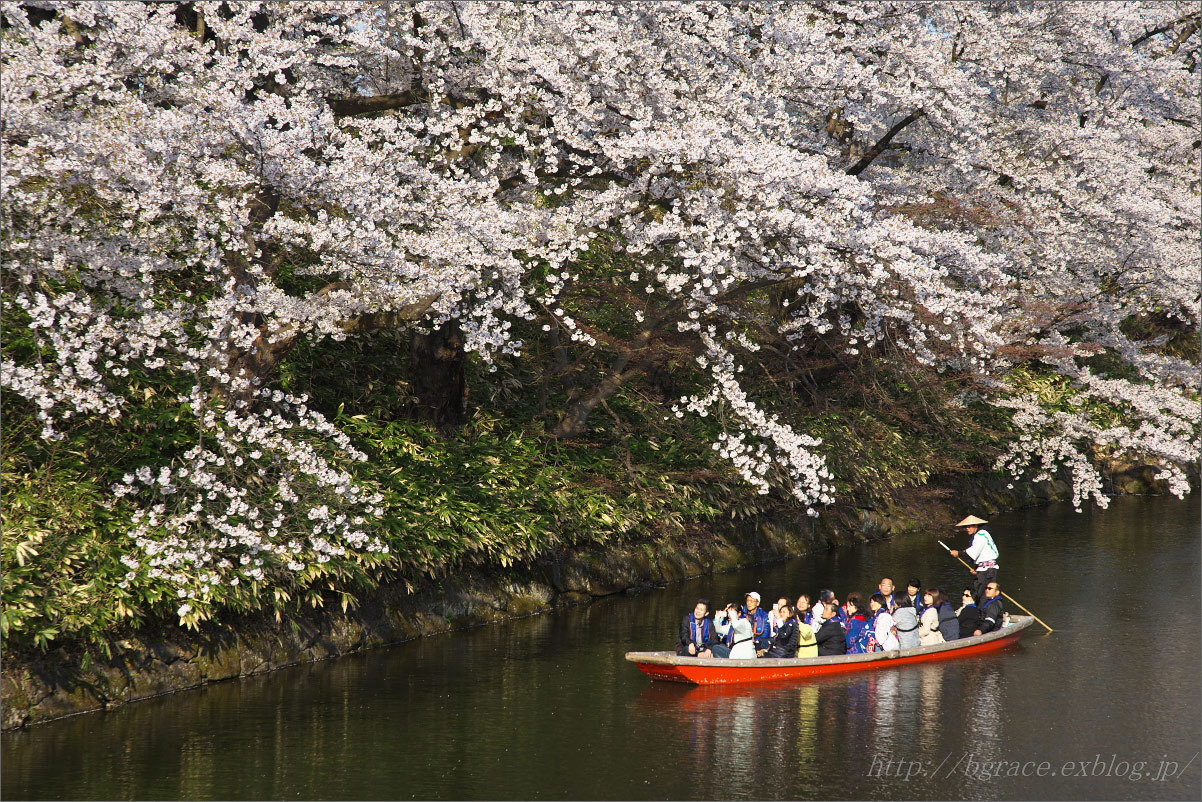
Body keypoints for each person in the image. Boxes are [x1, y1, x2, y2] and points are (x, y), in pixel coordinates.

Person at [949, 515, 1000, 605]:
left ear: (975, 526)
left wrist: (958, 553)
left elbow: (973, 552)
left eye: (969, 526)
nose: (967, 529)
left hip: (988, 571)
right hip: (985, 569)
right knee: (980, 593)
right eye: (966, 527)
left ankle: (982, 615)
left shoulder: (980, 535)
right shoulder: (982, 534)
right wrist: (977, 569)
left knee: (982, 595)